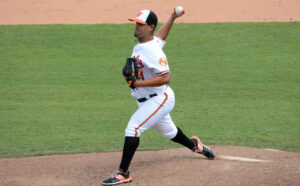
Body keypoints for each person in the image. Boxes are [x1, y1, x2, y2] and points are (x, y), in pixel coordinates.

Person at [102, 8, 215, 186]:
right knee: (170, 132)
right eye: (136, 23)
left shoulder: (153, 51)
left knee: (133, 128)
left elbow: (165, 77)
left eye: (141, 24)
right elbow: (160, 38)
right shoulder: (147, 43)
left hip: (160, 98)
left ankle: (123, 173)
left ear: (150, 27)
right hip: (148, 100)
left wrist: (136, 84)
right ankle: (195, 145)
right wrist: (172, 18)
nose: (137, 26)